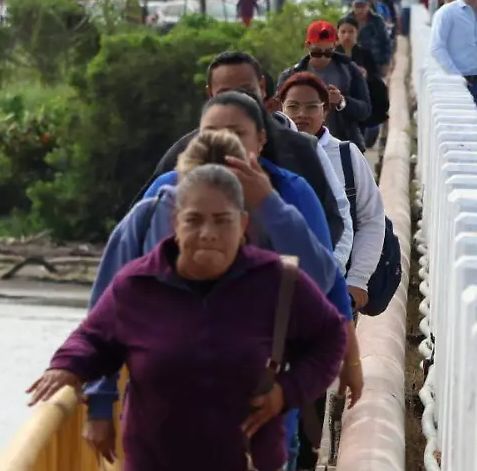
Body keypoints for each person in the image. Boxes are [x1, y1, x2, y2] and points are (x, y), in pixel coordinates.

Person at [28, 164, 347, 471]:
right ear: (174, 224)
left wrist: (287, 392)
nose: (208, 233)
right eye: (194, 220)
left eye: (222, 221)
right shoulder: (138, 285)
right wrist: (66, 366)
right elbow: (95, 338)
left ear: (244, 225)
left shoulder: (276, 281)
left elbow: (329, 339)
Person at [81, 111, 361, 460]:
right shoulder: (150, 216)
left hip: (256, 440)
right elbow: (103, 320)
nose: (208, 229)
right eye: (196, 211)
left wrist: (271, 206)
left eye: (223, 210)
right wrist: (99, 403)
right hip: (160, 441)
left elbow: (322, 281)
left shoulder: (273, 217)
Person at [134, 50, 352, 264]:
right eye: (226, 93)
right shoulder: (175, 165)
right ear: (211, 94)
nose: (237, 102)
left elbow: (331, 225)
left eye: (246, 91)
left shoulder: (301, 156)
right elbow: (134, 245)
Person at [280, 72, 386, 311]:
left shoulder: (347, 156)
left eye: (311, 107)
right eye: (293, 106)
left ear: (325, 110)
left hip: (337, 291)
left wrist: (357, 280)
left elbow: (371, 220)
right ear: (280, 108)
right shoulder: (270, 156)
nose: (301, 115)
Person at [278, 20, 372, 151]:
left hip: (342, 146)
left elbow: (365, 110)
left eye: (328, 53)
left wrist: (341, 102)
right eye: (317, 52)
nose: (322, 58)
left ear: (335, 46)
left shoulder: (350, 71)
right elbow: (278, 114)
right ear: (308, 46)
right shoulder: (291, 75)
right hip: (301, 147)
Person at [337, 16, 389, 148]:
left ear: (357, 33)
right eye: (343, 32)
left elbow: (376, 78)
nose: (346, 35)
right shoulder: (333, 55)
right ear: (337, 34)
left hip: (360, 103)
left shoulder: (365, 54)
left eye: (350, 32)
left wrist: (365, 76)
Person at [345, 0, 392, 78]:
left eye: (362, 6)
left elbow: (386, 42)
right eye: (357, 6)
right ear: (352, 5)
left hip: (375, 62)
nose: (359, 10)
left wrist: (386, 63)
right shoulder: (346, 20)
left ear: (368, 6)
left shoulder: (377, 21)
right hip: (354, 63)